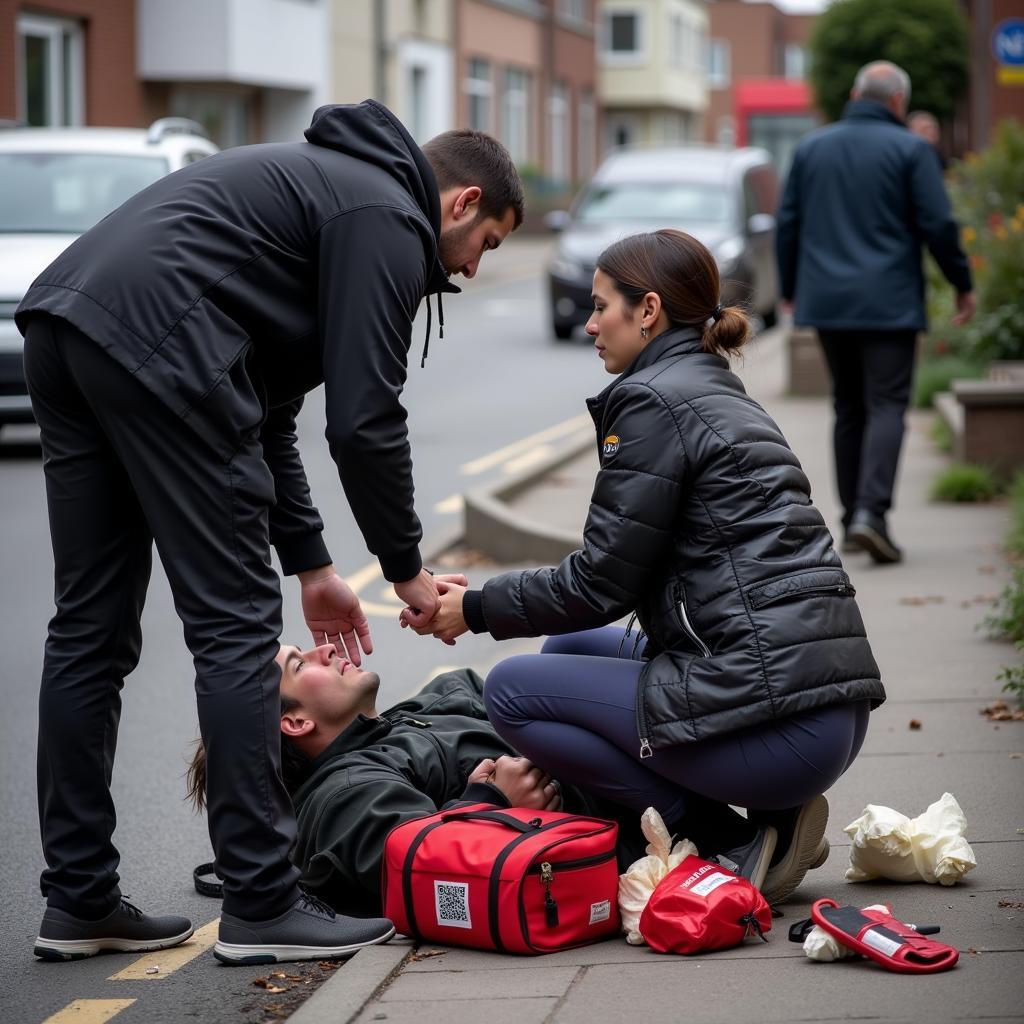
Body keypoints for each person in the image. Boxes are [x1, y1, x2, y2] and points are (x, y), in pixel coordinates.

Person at [18, 100, 523, 964]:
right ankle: (261, 901)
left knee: (89, 630)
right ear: (463, 202)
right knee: (235, 627)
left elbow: (270, 412)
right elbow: (365, 420)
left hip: (68, 324)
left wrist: (315, 567)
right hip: (160, 339)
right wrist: (404, 569)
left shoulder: (329, 189)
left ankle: (80, 900)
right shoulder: (387, 217)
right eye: (490, 244)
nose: (476, 269)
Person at [408, 228, 887, 906]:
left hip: (782, 729)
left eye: (603, 306)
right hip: (822, 709)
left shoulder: (651, 401)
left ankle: (722, 839)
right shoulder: (711, 388)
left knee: (512, 690)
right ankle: (774, 822)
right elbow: (610, 584)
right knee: (568, 647)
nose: (592, 322)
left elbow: (601, 582)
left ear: (650, 310)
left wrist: (477, 609)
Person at [186, 638, 641, 918]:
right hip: (632, 820)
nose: (322, 650)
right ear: (295, 723)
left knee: (567, 644)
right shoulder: (347, 794)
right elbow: (422, 866)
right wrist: (493, 801)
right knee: (525, 674)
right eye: (301, 666)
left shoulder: (409, 715)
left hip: (623, 763)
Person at [775, 61, 973, 563]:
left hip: (828, 302)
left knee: (848, 407)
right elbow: (939, 224)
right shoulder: (911, 149)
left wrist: (792, 288)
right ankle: (872, 514)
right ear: (898, 102)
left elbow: (788, 223)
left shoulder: (812, 147)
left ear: (854, 92)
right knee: (886, 405)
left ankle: (851, 520)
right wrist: (962, 284)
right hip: (890, 302)